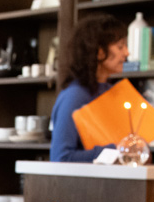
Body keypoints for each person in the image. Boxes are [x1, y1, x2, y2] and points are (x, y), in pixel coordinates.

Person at [48, 13, 130, 163]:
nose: (126, 53)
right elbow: (61, 157)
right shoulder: (75, 96)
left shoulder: (111, 92)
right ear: (99, 51)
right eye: (120, 47)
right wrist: (115, 151)